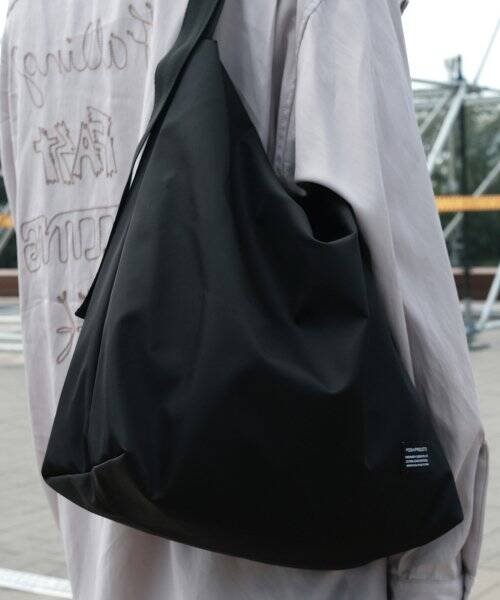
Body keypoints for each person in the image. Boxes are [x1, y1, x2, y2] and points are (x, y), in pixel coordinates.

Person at [0, 1, 488, 599]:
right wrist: (431, 573)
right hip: (295, 559)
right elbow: (411, 303)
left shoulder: (28, 18)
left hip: (104, 533)